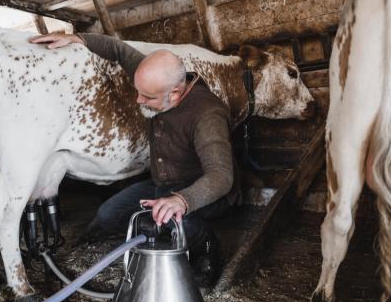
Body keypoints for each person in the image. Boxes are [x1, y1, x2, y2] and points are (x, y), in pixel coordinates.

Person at [29, 32, 240, 286]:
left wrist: (181, 201)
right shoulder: (154, 76)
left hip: (204, 193)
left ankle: (207, 246)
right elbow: (118, 49)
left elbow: (221, 176)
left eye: (147, 97)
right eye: (139, 91)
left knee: (172, 222)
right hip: (163, 185)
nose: (138, 99)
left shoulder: (208, 116)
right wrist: (77, 38)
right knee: (107, 214)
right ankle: (86, 248)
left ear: (174, 94)